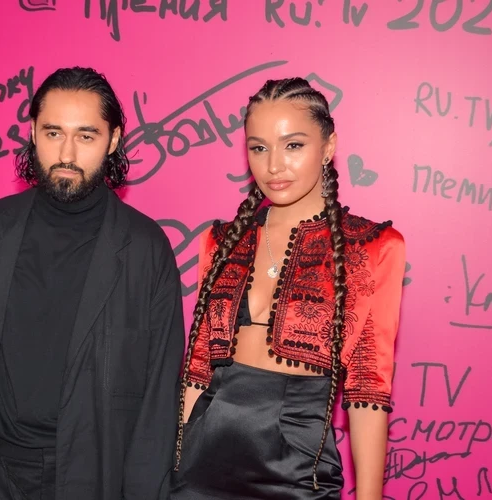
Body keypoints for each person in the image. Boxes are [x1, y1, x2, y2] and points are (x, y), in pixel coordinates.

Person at [0, 66, 185, 500]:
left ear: (113, 140)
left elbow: (159, 392)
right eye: (53, 133)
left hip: (94, 476)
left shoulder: (145, 249)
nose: (67, 153)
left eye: (86, 136)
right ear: (32, 132)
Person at [170, 78, 406, 499]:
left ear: (329, 147)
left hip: (297, 473)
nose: (274, 165)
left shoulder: (372, 247)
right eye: (259, 148)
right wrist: (171, 471)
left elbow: (367, 390)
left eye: (293, 145)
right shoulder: (221, 241)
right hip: (200, 470)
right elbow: (198, 370)